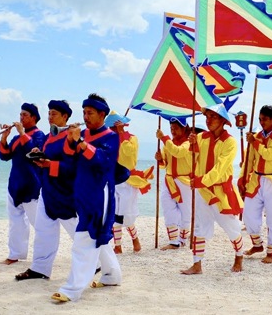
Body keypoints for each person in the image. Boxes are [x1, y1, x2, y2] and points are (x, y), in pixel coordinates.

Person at [51, 94, 122, 303]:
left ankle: (72, 289)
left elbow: (102, 160)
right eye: (84, 112)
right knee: (97, 237)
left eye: (89, 113)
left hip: (99, 194)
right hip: (82, 192)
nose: (85, 116)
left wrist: (80, 141)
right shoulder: (84, 135)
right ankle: (112, 276)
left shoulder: (110, 137)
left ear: (102, 115)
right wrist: (70, 139)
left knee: (83, 239)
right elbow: (70, 159)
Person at [16, 100, 78, 281]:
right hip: (47, 188)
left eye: (54, 114)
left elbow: (72, 166)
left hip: (63, 190)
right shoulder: (51, 135)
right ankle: (40, 268)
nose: (50, 117)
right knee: (44, 230)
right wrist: (39, 153)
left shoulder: (69, 135)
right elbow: (48, 156)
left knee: (76, 228)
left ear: (65, 117)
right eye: (49, 113)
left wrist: (49, 164)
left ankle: (97, 262)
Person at [181, 105, 245, 275]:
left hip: (220, 191)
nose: (208, 121)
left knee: (230, 226)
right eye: (207, 117)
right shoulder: (201, 137)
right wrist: (192, 147)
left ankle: (239, 256)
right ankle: (197, 265)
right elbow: (192, 162)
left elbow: (220, 168)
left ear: (223, 121)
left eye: (213, 117)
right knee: (200, 227)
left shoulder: (230, 142)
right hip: (202, 191)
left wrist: (201, 181)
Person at [239, 105, 272, 264]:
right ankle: (257, 244)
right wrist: (242, 178)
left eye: (265, 119)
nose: (262, 122)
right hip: (256, 179)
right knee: (249, 214)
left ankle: (271, 251)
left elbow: (270, 155)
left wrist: (255, 142)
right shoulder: (256, 136)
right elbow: (249, 160)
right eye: (260, 119)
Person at [0, 103, 46, 265]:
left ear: (34, 118)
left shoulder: (39, 135)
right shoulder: (16, 137)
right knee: (15, 221)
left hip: (32, 184)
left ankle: (43, 256)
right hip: (15, 183)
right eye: (20, 114)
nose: (21, 117)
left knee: (38, 222)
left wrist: (21, 132)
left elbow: (34, 152)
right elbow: (4, 156)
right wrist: (4, 137)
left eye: (25, 115)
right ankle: (15, 253)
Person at [108, 112, 153, 254]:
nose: (112, 130)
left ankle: (135, 240)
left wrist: (121, 134)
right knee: (114, 214)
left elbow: (129, 153)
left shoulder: (132, 139)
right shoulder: (109, 139)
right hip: (113, 180)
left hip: (128, 179)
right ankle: (118, 246)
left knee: (126, 214)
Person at [155, 117, 193, 250]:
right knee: (167, 206)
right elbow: (165, 164)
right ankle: (173, 240)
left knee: (186, 211)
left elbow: (178, 152)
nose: (173, 131)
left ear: (184, 128)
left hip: (185, 181)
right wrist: (160, 159)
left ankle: (182, 239)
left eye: (176, 128)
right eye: (171, 129)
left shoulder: (189, 143)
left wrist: (163, 138)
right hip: (169, 179)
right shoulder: (168, 143)